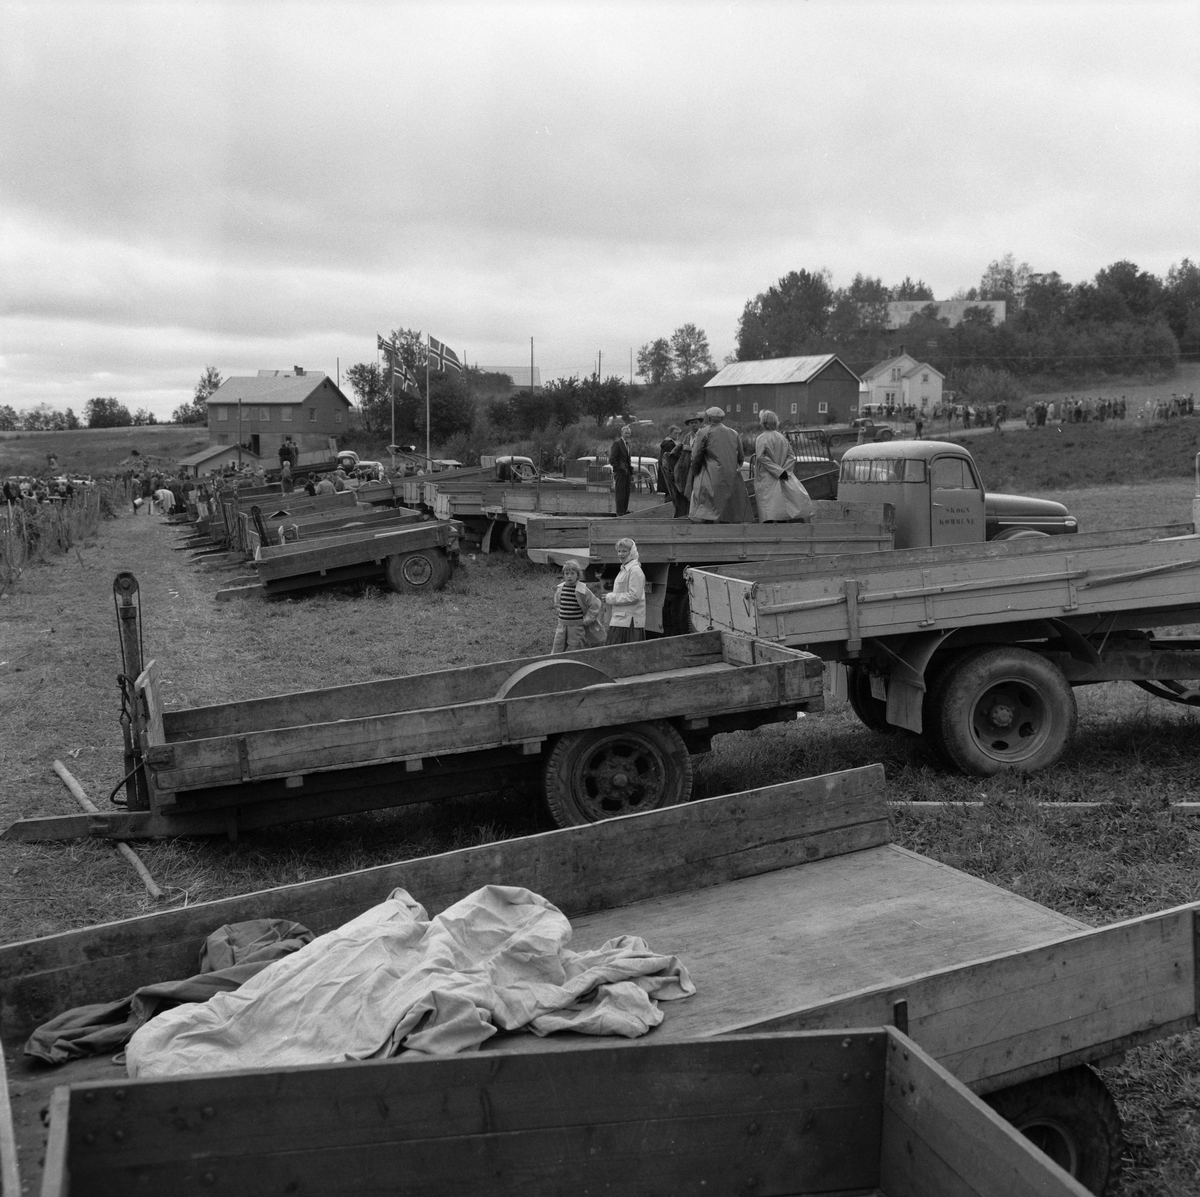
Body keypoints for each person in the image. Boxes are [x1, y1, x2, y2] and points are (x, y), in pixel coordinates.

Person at [686, 407, 752, 523]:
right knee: (728, 511)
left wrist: (695, 471)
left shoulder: (704, 432)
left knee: (706, 509)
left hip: (709, 476)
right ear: (722, 418)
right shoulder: (733, 433)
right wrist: (732, 466)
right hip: (731, 477)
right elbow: (741, 457)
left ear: (709, 418)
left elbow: (696, 455)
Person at [753, 410, 813, 523]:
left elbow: (761, 457)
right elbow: (791, 456)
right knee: (781, 506)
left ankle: (768, 533)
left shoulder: (761, 438)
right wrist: (784, 470)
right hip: (782, 476)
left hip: (767, 477)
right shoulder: (782, 438)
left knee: (768, 508)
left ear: (763, 422)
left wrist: (778, 471)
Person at [551, 560, 604, 652]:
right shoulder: (560, 589)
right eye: (566, 573)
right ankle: (556, 664)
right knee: (558, 646)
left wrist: (586, 620)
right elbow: (557, 603)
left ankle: (577, 664)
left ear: (578, 575)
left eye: (572, 573)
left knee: (576, 648)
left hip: (576, 626)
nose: (569, 576)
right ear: (563, 575)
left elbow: (595, 604)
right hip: (562, 625)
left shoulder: (583, 590)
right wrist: (563, 614)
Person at [604, 538, 646, 644]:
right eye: (619, 551)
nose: (621, 554)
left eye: (624, 551)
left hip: (629, 622)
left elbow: (634, 596)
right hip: (621, 620)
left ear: (631, 552)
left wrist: (610, 597)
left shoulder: (635, 570)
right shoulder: (625, 569)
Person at [670, 413, 703, 517]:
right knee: (689, 488)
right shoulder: (688, 436)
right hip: (689, 467)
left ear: (699, 423)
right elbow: (683, 449)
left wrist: (692, 449)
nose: (694, 425)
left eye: (696, 422)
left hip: (701, 466)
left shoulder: (703, 434)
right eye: (692, 423)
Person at [610, 424, 633, 516]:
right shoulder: (617, 443)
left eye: (629, 433)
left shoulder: (627, 444)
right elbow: (612, 459)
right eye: (626, 433)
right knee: (620, 492)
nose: (627, 435)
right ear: (622, 433)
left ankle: (624, 510)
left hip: (627, 471)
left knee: (626, 492)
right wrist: (618, 469)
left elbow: (627, 458)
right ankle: (619, 511)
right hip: (620, 472)